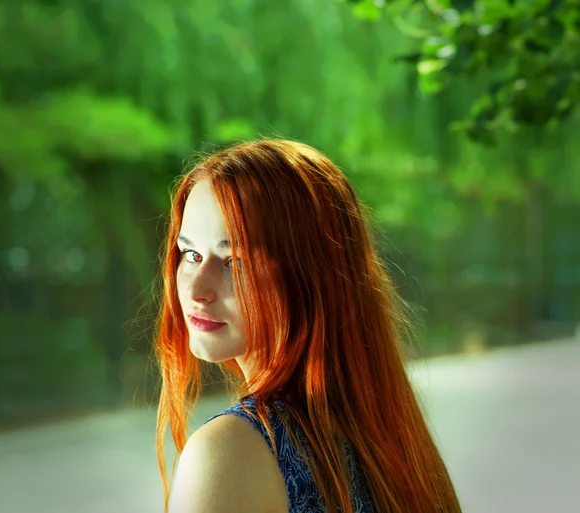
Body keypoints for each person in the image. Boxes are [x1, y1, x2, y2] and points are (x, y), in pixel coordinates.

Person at [153, 139, 462, 513]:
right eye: (191, 254)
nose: (197, 290)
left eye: (234, 262)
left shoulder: (231, 450)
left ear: (308, 277)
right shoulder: (392, 442)